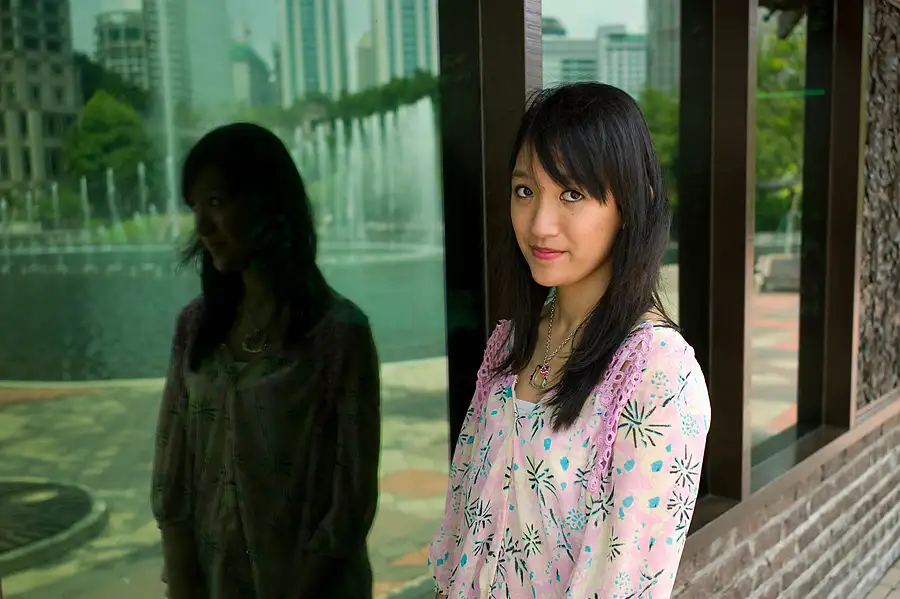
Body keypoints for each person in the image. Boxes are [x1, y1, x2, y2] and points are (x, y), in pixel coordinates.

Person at [429, 83, 711, 599]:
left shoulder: (657, 376)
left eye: (572, 194)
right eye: (525, 191)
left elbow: (626, 584)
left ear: (632, 205)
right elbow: (461, 533)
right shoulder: (510, 343)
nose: (540, 224)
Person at [151, 122, 381, 599]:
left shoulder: (338, 335)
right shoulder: (195, 328)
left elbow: (349, 500)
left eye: (217, 202)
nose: (203, 227)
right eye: (195, 207)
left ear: (267, 203)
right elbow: (173, 474)